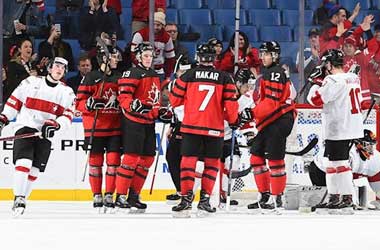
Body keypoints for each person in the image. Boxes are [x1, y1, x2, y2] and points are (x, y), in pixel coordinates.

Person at [169, 44, 239, 217]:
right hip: (214, 128)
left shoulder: (188, 75)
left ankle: (186, 200)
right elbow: (231, 106)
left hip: (191, 126)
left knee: (188, 163)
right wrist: (234, 121)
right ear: (214, 58)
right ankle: (205, 200)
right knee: (211, 164)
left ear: (198, 57)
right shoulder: (225, 78)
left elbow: (174, 100)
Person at [0, 57, 75, 216]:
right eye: (56, 65)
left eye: (63, 67)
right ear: (49, 67)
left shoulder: (66, 92)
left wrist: (56, 125)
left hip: (44, 134)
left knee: (34, 170)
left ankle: (22, 200)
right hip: (26, 127)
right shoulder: (31, 82)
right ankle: (19, 197)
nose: (59, 69)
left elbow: (67, 116)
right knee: (24, 162)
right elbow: (14, 102)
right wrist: (4, 118)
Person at [307, 49, 364, 214]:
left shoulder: (331, 80)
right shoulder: (353, 78)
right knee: (331, 163)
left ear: (329, 64)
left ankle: (346, 199)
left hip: (338, 128)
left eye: (325, 65)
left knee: (340, 163)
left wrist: (315, 82)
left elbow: (316, 100)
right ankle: (334, 197)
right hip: (350, 127)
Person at [242, 41, 296, 213]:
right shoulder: (269, 73)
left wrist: (252, 113)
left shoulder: (275, 73)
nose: (263, 57)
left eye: (267, 54)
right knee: (256, 157)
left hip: (280, 120)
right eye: (262, 53)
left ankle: (276, 198)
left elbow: (272, 102)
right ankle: (265, 195)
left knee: (275, 160)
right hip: (270, 120)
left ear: (274, 56)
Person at [115, 42, 170, 212]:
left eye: (150, 56)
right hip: (133, 121)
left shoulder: (153, 74)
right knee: (131, 158)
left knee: (147, 159)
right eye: (145, 56)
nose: (148, 58)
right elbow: (123, 98)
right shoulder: (131, 73)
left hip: (148, 122)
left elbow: (154, 99)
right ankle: (121, 196)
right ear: (138, 57)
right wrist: (133, 105)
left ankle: (134, 195)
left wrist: (158, 112)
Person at [76, 44, 122, 211]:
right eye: (114, 56)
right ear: (105, 58)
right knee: (95, 163)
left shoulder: (119, 78)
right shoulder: (90, 78)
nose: (116, 59)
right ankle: (97, 194)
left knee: (113, 163)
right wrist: (88, 103)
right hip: (94, 127)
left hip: (115, 129)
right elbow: (78, 103)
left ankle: (109, 193)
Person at [307, 129, 380, 210]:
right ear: (358, 144)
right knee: (338, 178)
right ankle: (336, 199)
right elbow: (345, 178)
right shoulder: (350, 152)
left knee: (342, 174)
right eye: (368, 145)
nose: (371, 150)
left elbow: (377, 179)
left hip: (338, 170)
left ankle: (342, 200)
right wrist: (353, 201)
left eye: (372, 145)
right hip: (320, 170)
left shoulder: (375, 158)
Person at [219, 68, 256, 207]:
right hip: (214, 135)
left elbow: (249, 117)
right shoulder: (226, 92)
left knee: (234, 161)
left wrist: (250, 135)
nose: (249, 89)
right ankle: (194, 194)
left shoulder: (247, 98)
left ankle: (224, 192)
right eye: (247, 86)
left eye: (251, 86)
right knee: (204, 166)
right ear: (239, 83)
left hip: (228, 137)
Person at [131, 12, 175, 80]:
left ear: (163, 25)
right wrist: (144, 67)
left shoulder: (166, 38)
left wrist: (168, 76)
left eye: (158, 25)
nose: (155, 27)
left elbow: (170, 58)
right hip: (141, 71)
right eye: (153, 24)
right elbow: (133, 55)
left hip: (159, 72)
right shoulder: (140, 35)